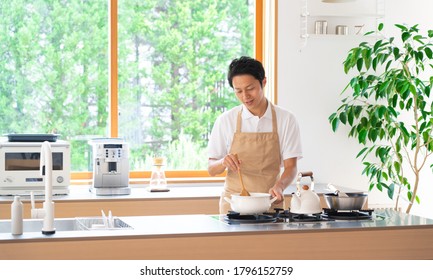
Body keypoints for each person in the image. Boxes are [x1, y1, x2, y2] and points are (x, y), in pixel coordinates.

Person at [207, 56, 303, 214]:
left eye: (250, 88)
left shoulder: (286, 119)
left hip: (270, 202)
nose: (245, 96)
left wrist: (280, 186)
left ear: (263, 82)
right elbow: (211, 169)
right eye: (238, 91)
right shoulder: (225, 121)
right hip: (234, 205)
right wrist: (224, 161)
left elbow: (291, 167)